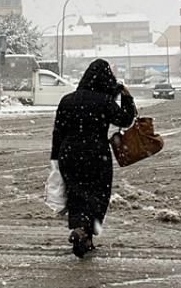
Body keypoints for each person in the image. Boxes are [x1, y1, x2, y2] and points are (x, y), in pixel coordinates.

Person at [50, 59, 138, 258]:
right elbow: (125, 119)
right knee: (98, 194)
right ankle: (87, 231)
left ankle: (82, 231)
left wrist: (56, 158)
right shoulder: (104, 101)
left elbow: (58, 132)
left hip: (69, 153)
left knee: (76, 194)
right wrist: (126, 98)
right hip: (95, 153)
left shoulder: (67, 100)